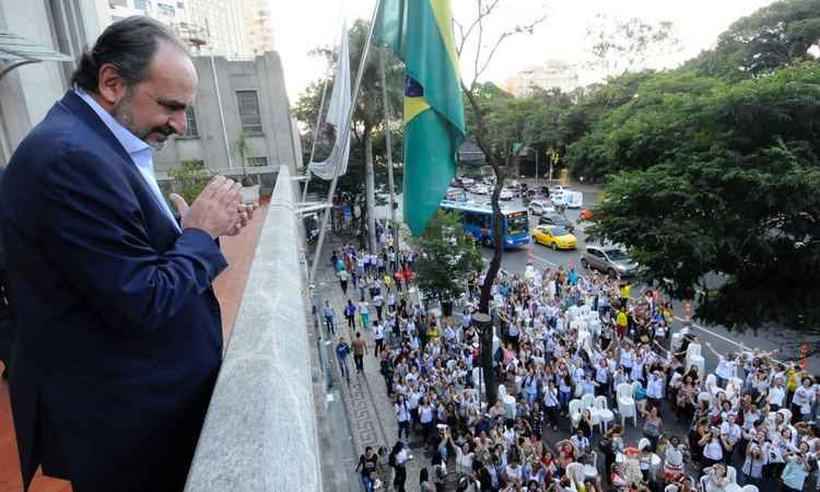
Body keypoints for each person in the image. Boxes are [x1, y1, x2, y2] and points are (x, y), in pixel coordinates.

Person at [0, 17, 256, 492]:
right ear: (112, 83)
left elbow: (115, 262)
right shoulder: (70, 159)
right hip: (130, 428)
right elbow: (140, 299)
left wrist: (195, 232)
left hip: (143, 411)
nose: (180, 124)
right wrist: (198, 235)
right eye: (170, 106)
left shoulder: (97, 143)